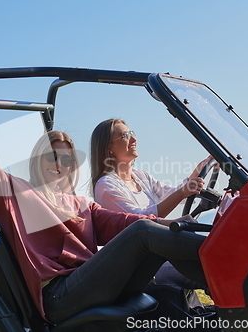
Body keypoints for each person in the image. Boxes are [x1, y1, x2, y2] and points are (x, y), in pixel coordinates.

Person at [0, 89, 208, 324]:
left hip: (92, 282)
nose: (60, 164)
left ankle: (221, 271)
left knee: (154, 248)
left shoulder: (81, 205)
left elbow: (124, 223)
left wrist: (178, 224)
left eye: (67, 158)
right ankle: (230, 255)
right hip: (60, 294)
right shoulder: (21, 194)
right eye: (52, 157)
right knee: (145, 232)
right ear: (38, 162)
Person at [90, 118, 213, 305]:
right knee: (210, 269)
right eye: (125, 135)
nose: (133, 139)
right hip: (144, 266)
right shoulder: (106, 186)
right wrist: (182, 192)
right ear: (109, 148)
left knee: (214, 258)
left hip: (161, 252)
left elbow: (171, 194)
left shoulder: (141, 176)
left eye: (132, 133)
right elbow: (141, 222)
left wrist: (203, 166)